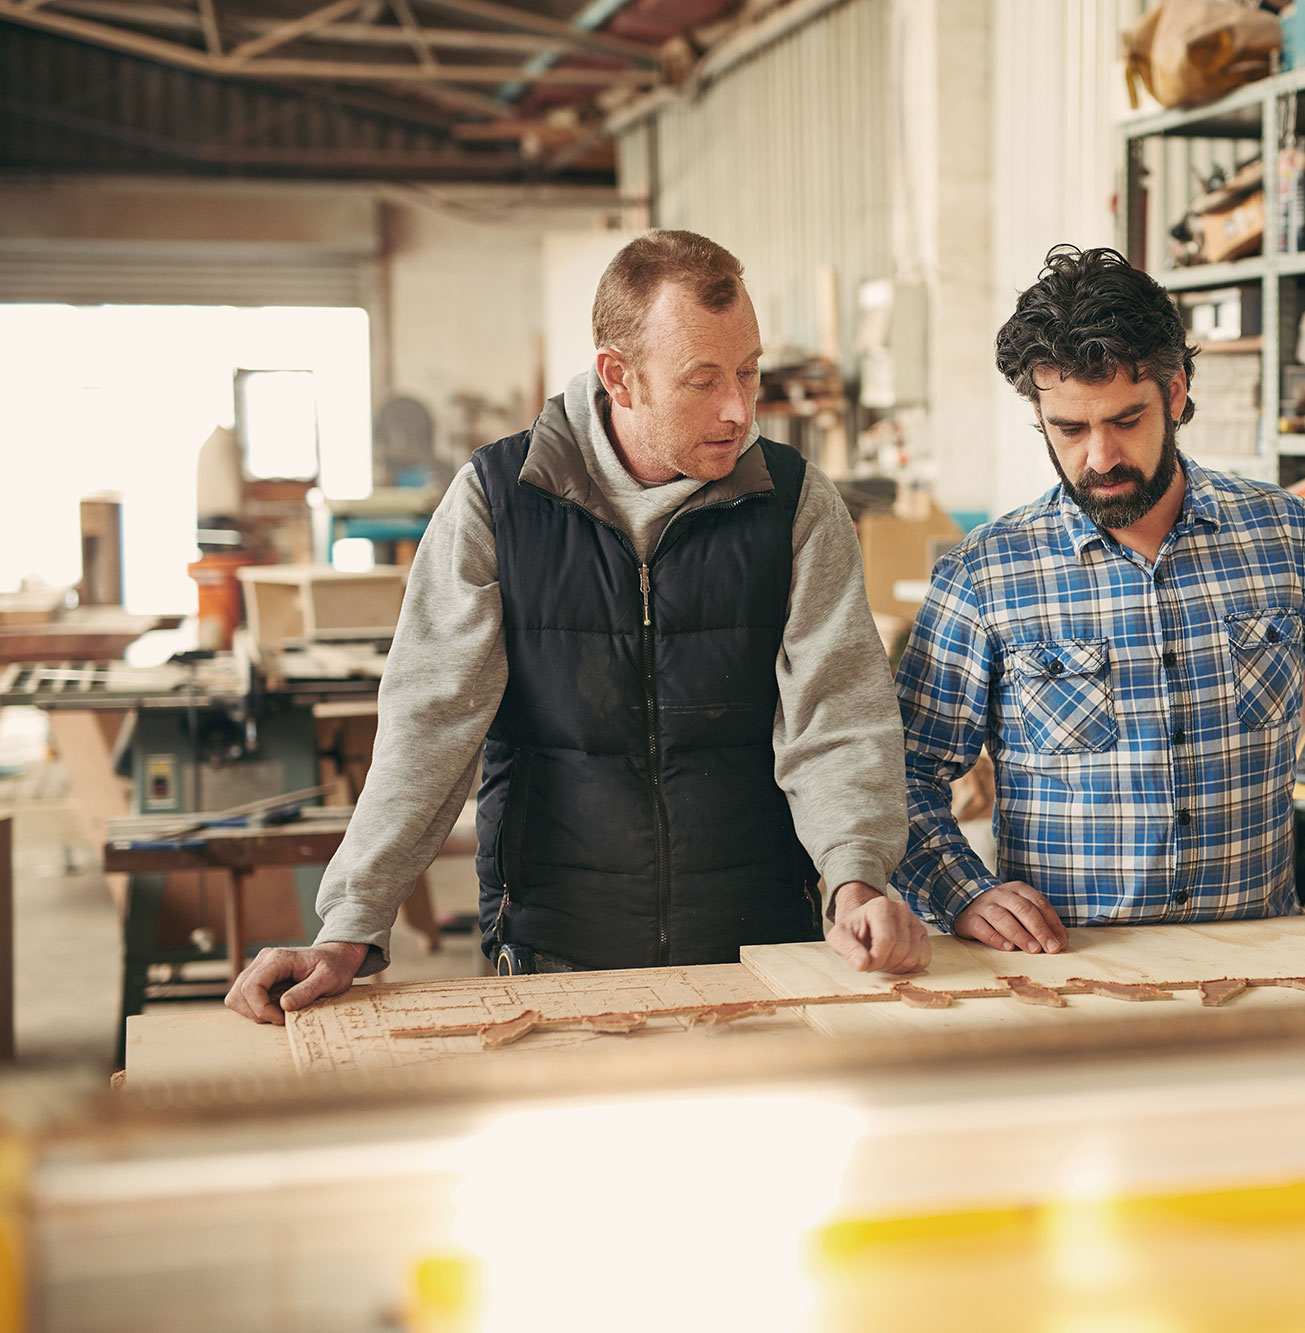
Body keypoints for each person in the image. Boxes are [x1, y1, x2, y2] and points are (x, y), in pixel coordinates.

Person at [227, 229, 928, 1024]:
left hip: (763, 948)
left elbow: (835, 717)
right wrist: (349, 926)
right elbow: (431, 723)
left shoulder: (795, 503)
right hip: (555, 951)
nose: (739, 408)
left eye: (748, 370)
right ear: (618, 377)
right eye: (703, 380)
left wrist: (856, 877)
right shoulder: (500, 501)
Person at [892, 245, 1305, 954]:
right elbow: (905, 771)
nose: (1098, 457)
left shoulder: (1292, 537)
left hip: (1260, 967)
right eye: (1069, 429)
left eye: (1125, 420)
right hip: (1066, 981)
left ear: (1177, 393)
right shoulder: (986, 573)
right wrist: (962, 891)